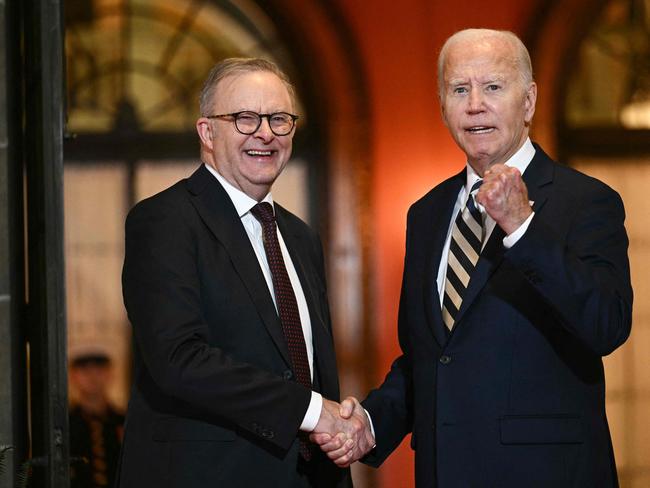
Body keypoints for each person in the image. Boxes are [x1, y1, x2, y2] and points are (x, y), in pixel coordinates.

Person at [314, 29, 633, 487]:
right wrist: (370, 422)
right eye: (459, 89)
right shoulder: (426, 213)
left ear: (528, 102)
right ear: (443, 106)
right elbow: (430, 357)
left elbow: (607, 324)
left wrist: (523, 227)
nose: (474, 104)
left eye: (493, 87)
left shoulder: (586, 201)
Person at [115, 58, 372, 488]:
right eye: (245, 118)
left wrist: (338, 428)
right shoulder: (164, 220)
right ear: (207, 132)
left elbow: (310, 368)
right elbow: (179, 359)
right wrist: (312, 411)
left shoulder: (300, 237)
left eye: (279, 119)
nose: (265, 133)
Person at [68, 344, 124, 488]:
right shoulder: (66, 424)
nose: (92, 376)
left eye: (99, 369)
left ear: (110, 374)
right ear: (73, 376)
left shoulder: (125, 421)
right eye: (84, 370)